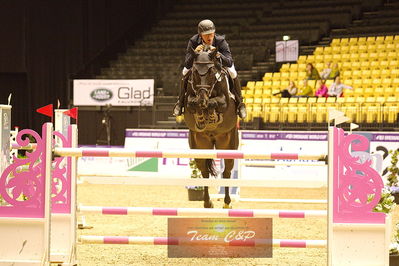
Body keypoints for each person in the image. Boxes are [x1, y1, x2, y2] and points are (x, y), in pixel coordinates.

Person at [173, 19, 247, 118]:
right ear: (200, 35)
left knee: (233, 72)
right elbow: (187, 63)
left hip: (219, 65)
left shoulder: (220, 41)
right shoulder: (193, 41)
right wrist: (194, 53)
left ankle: (240, 104)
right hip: (200, 66)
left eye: (211, 34)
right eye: (206, 35)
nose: (209, 37)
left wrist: (218, 54)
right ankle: (180, 102)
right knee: (184, 72)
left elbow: (229, 62)